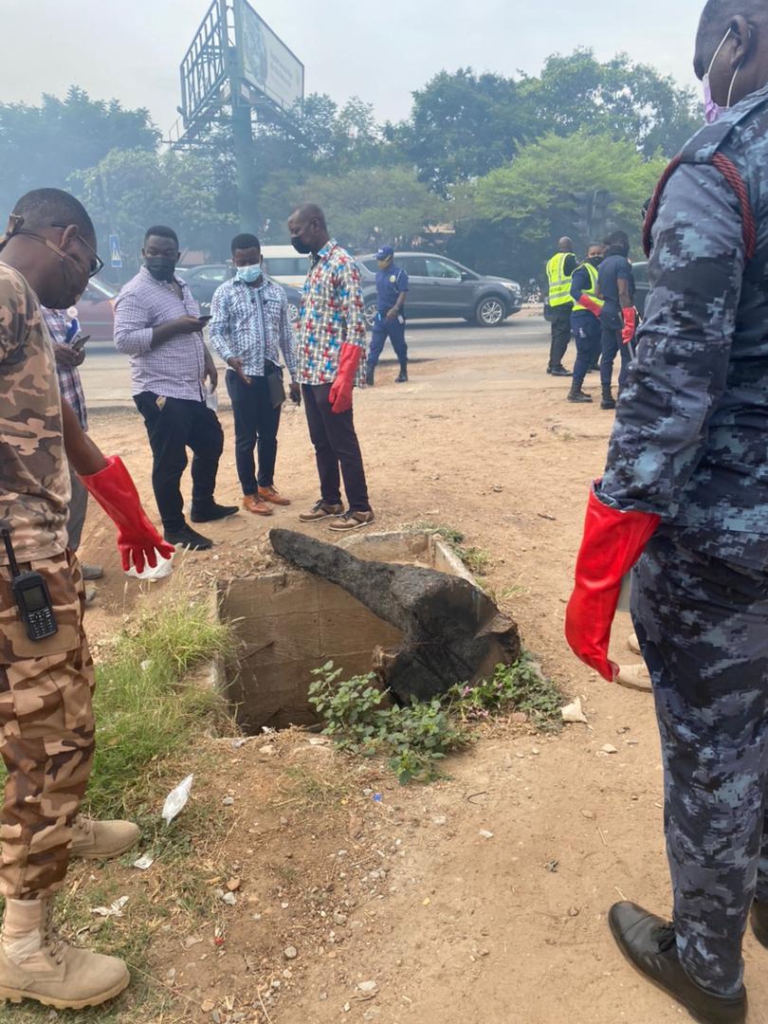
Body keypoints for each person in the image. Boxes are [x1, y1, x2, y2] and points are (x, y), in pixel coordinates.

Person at [565, 3, 768, 1020]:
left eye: (707, 54)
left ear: (738, 33)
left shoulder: (720, 168)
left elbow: (669, 392)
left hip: (730, 543)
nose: (703, 75)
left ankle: (709, 968)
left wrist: (600, 564)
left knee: (713, 750)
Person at [0, 187, 173, 1009]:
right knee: (50, 727)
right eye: (91, 265)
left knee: (59, 702)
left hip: (32, 555)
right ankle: (26, 946)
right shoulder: (3, 291)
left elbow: (54, 424)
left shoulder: (24, 308)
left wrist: (117, 497)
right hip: (11, 566)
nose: (88, 284)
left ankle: (58, 830)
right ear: (64, 238)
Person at [114, 226, 238, 551]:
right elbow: (124, 340)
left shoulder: (179, 285)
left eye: (166, 253)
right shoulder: (135, 292)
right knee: (170, 461)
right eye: (152, 252)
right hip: (159, 390)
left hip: (189, 388)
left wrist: (207, 360)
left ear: (177, 255)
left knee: (211, 442)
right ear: (143, 253)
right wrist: (174, 327)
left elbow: (193, 328)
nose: (159, 258)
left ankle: (202, 505)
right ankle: (174, 528)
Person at [287, 204, 375, 531]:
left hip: (331, 374)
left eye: (296, 231)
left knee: (343, 443)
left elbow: (355, 326)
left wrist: (346, 378)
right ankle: (330, 500)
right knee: (320, 442)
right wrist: (297, 374)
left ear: (314, 225)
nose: (293, 237)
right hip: (310, 372)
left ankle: (361, 508)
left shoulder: (342, 264)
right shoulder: (316, 266)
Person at [209, 233, 300, 517]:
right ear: (234, 261)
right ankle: (249, 493)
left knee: (269, 436)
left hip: (271, 374)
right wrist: (229, 358)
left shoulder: (277, 292)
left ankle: (265, 485)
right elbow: (216, 332)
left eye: (252, 260)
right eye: (241, 261)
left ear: (260, 259)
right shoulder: (225, 293)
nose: (247, 265)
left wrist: (295, 376)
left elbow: (286, 336)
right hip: (242, 375)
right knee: (246, 437)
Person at [45, 306, 103, 598]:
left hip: (73, 421)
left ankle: (71, 561)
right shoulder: (20, 306)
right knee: (54, 505)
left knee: (77, 496)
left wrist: (76, 354)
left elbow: (71, 347)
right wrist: (49, 348)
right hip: (47, 431)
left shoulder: (59, 311)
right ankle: (62, 585)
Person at [596, 230, 636, 410]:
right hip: (620, 312)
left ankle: (606, 396)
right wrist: (629, 318)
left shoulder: (603, 264)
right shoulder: (622, 263)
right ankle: (623, 394)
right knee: (627, 354)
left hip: (606, 312)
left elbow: (598, 293)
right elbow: (623, 292)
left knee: (607, 355)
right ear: (621, 243)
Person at [566, 243, 605, 403]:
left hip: (595, 318)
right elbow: (574, 291)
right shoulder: (583, 271)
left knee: (593, 352)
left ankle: (577, 390)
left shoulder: (599, 270)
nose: (596, 256)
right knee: (583, 354)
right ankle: (574, 392)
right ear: (587, 255)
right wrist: (595, 308)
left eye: (599, 253)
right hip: (583, 316)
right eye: (592, 253)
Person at [365, 245, 409, 386]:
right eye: (378, 259)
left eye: (382, 259)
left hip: (395, 317)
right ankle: (369, 372)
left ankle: (403, 371)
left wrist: (395, 309)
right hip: (380, 316)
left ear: (390, 258)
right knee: (375, 345)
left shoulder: (400, 274)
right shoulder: (378, 275)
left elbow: (403, 293)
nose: (379, 262)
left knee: (399, 346)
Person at [545, 236, 576, 376]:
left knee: (556, 336)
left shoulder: (551, 261)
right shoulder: (569, 258)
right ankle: (556, 366)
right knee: (562, 337)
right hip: (566, 302)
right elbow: (577, 273)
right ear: (569, 245)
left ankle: (552, 365)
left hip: (554, 303)